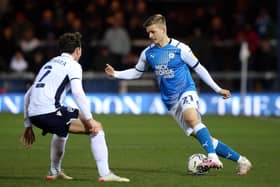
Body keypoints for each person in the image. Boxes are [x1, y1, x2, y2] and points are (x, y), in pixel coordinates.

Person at [105, 14, 252, 175]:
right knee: (203, 137)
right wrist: (116, 74)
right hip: (171, 102)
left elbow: (199, 68)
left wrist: (217, 89)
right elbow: (137, 72)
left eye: (153, 32)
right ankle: (242, 161)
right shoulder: (148, 53)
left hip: (186, 90)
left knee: (191, 118)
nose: (150, 36)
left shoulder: (181, 49)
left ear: (163, 29)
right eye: (148, 33)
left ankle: (213, 158)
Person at [22, 32, 130, 182]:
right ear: (78, 50)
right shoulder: (73, 65)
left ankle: (55, 171)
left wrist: (28, 124)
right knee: (97, 129)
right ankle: (105, 173)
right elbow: (78, 92)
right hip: (50, 112)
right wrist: (90, 120)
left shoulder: (50, 63)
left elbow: (28, 94)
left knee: (70, 121)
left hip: (35, 114)